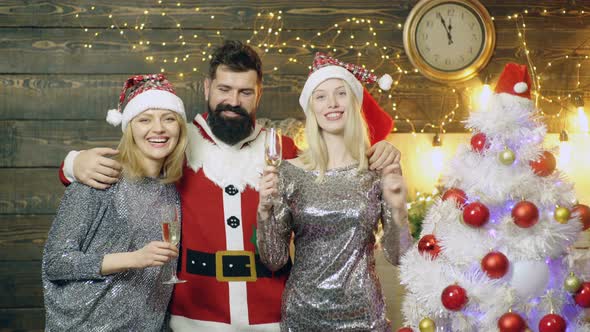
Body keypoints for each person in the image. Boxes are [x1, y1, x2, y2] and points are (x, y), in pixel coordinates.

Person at [58, 41, 402, 331]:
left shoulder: (285, 150)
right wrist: (73, 163)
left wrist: (381, 147)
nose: (233, 101)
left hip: (271, 315)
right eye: (224, 89)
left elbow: (338, 169)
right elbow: (130, 161)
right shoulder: (176, 141)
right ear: (207, 88)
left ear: (258, 94)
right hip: (195, 315)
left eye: (245, 92)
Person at [256, 53, 413, 331]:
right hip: (303, 314)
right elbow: (274, 259)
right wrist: (265, 212)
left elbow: (399, 255)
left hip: (364, 315)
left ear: (353, 103)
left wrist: (398, 203)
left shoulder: (376, 169)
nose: (332, 103)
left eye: (341, 93)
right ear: (311, 108)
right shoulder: (288, 172)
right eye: (321, 96)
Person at [43, 74, 188, 331]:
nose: (159, 129)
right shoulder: (99, 177)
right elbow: (56, 263)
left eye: (169, 119)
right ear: (130, 128)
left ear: (180, 128)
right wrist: (135, 258)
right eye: (145, 120)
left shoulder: (171, 188)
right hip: (87, 324)